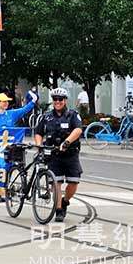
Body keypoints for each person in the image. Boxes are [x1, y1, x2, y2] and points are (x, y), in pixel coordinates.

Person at [34, 88, 83, 222]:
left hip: (70, 153)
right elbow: (38, 132)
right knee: (56, 183)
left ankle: (65, 201)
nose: (57, 102)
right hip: (54, 155)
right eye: (55, 99)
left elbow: (78, 129)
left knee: (74, 182)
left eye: (60, 99)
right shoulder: (47, 116)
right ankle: (59, 210)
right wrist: (39, 146)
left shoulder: (72, 115)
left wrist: (67, 142)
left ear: (65, 100)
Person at [0, 90, 38, 202]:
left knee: (9, 167)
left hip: (10, 147)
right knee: (0, 167)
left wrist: (32, 102)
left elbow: (24, 110)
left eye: (7, 102)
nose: (6, 104)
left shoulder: (11, 114)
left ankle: (6, 189)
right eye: (3, 102)